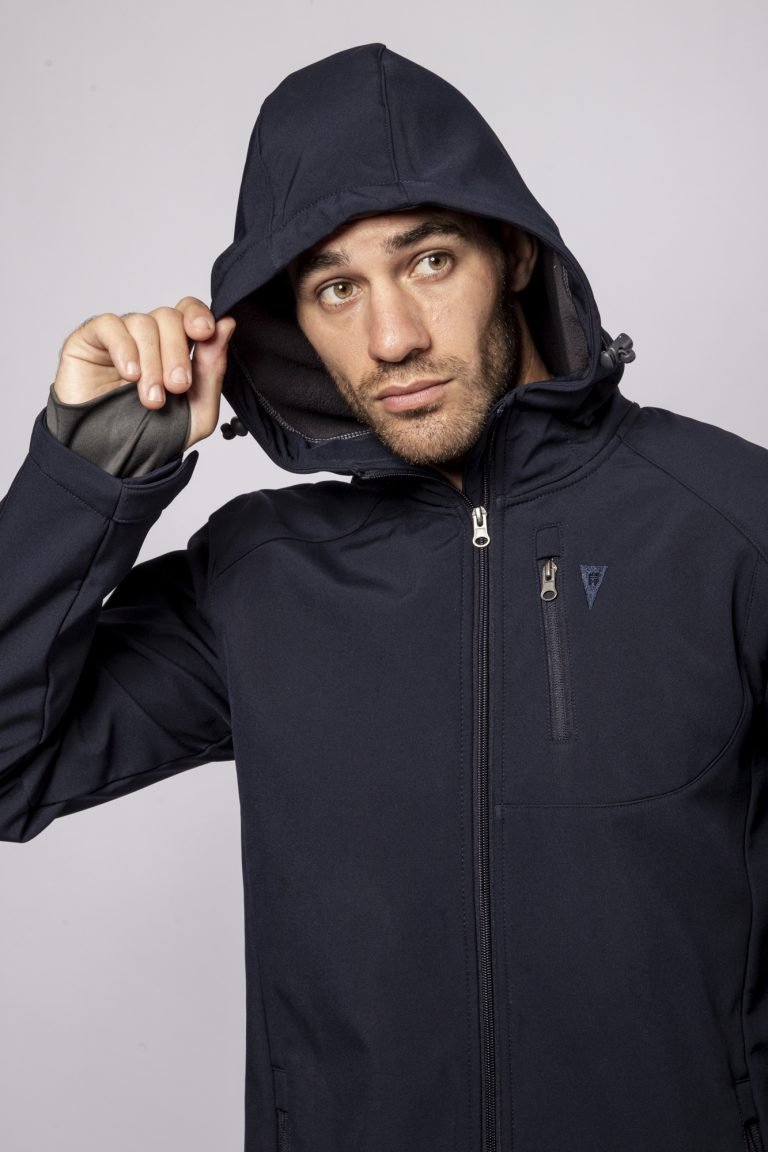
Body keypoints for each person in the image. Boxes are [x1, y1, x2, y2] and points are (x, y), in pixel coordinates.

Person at [2, 40, 768, 1152]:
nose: (393, 337)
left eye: (431, 261)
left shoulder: (731, 522)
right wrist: (88, 476)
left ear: (512, 250)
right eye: (337, 288)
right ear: (287, 319)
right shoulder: (259, 579)